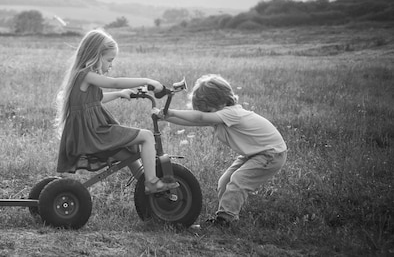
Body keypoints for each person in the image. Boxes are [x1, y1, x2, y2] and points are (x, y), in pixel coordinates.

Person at [55, 29, 179, 194]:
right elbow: (114, 82)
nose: (111, 65)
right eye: (109, 60)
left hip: (93, 132)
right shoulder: (85, 75)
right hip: (94, 133)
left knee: (127, 153)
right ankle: (151, 182)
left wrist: (120, 94)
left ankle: (146, 187)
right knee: (147, 136)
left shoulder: (83, 77)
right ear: (96, 55)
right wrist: (148, 81)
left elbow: (94, 100)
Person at [155, 74, 287, 225]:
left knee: (238, 180)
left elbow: (200, 118)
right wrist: (165, 117)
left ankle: (226, 219)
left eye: (208, 110)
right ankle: (226, 216)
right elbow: (194, 122)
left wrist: (171, 112)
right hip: (254, 153)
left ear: (219, 102)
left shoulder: (231, 113)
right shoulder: (219, 116)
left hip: (271, 153)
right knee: (225, 181)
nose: (206, 114)